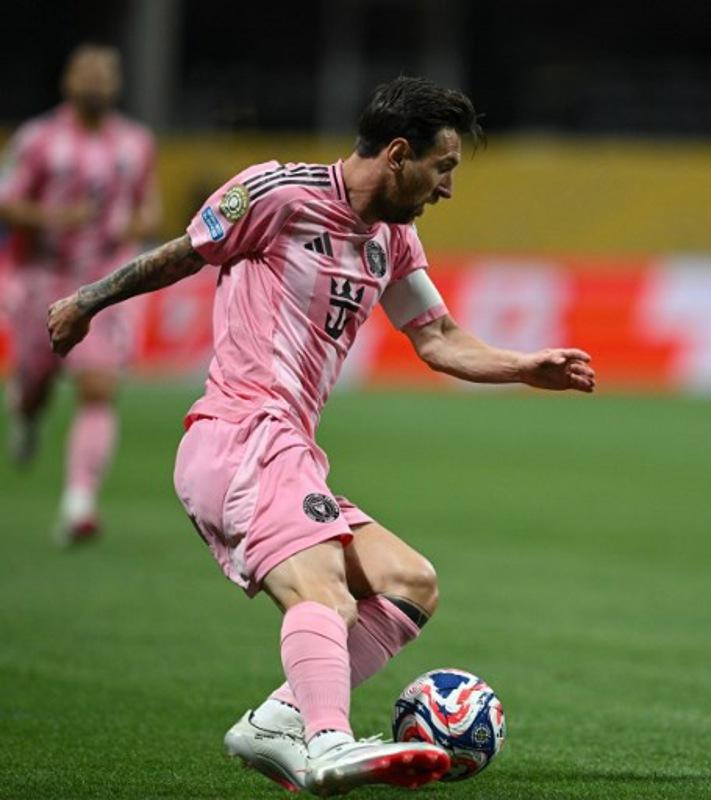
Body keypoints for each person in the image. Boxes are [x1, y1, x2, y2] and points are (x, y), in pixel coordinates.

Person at [48, 75, 596, 795]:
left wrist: (524, 366)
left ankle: (279, 720)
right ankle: (328, 741)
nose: (448, 188)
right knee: (327, 595)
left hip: (289, 449)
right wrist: (87, 302)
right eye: (444, 167)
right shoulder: (279, 194)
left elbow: (438, 338)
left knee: (409, 582)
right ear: (399, 154)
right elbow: (185, 252)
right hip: (241, 434)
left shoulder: (393, 241)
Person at [0, 44, 159, 543]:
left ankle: (79, 502)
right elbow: (9, 205)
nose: (95, 83)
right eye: (85, 74)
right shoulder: (39, 139)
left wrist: (130, 225)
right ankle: (26, 414)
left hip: (104, 280)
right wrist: (56, 219)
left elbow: (150, 212)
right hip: (41, 277)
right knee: (35, 386)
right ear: (67, 80)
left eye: (104, 75)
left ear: (116, 83)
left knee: (98, 387)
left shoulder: (136, 143)